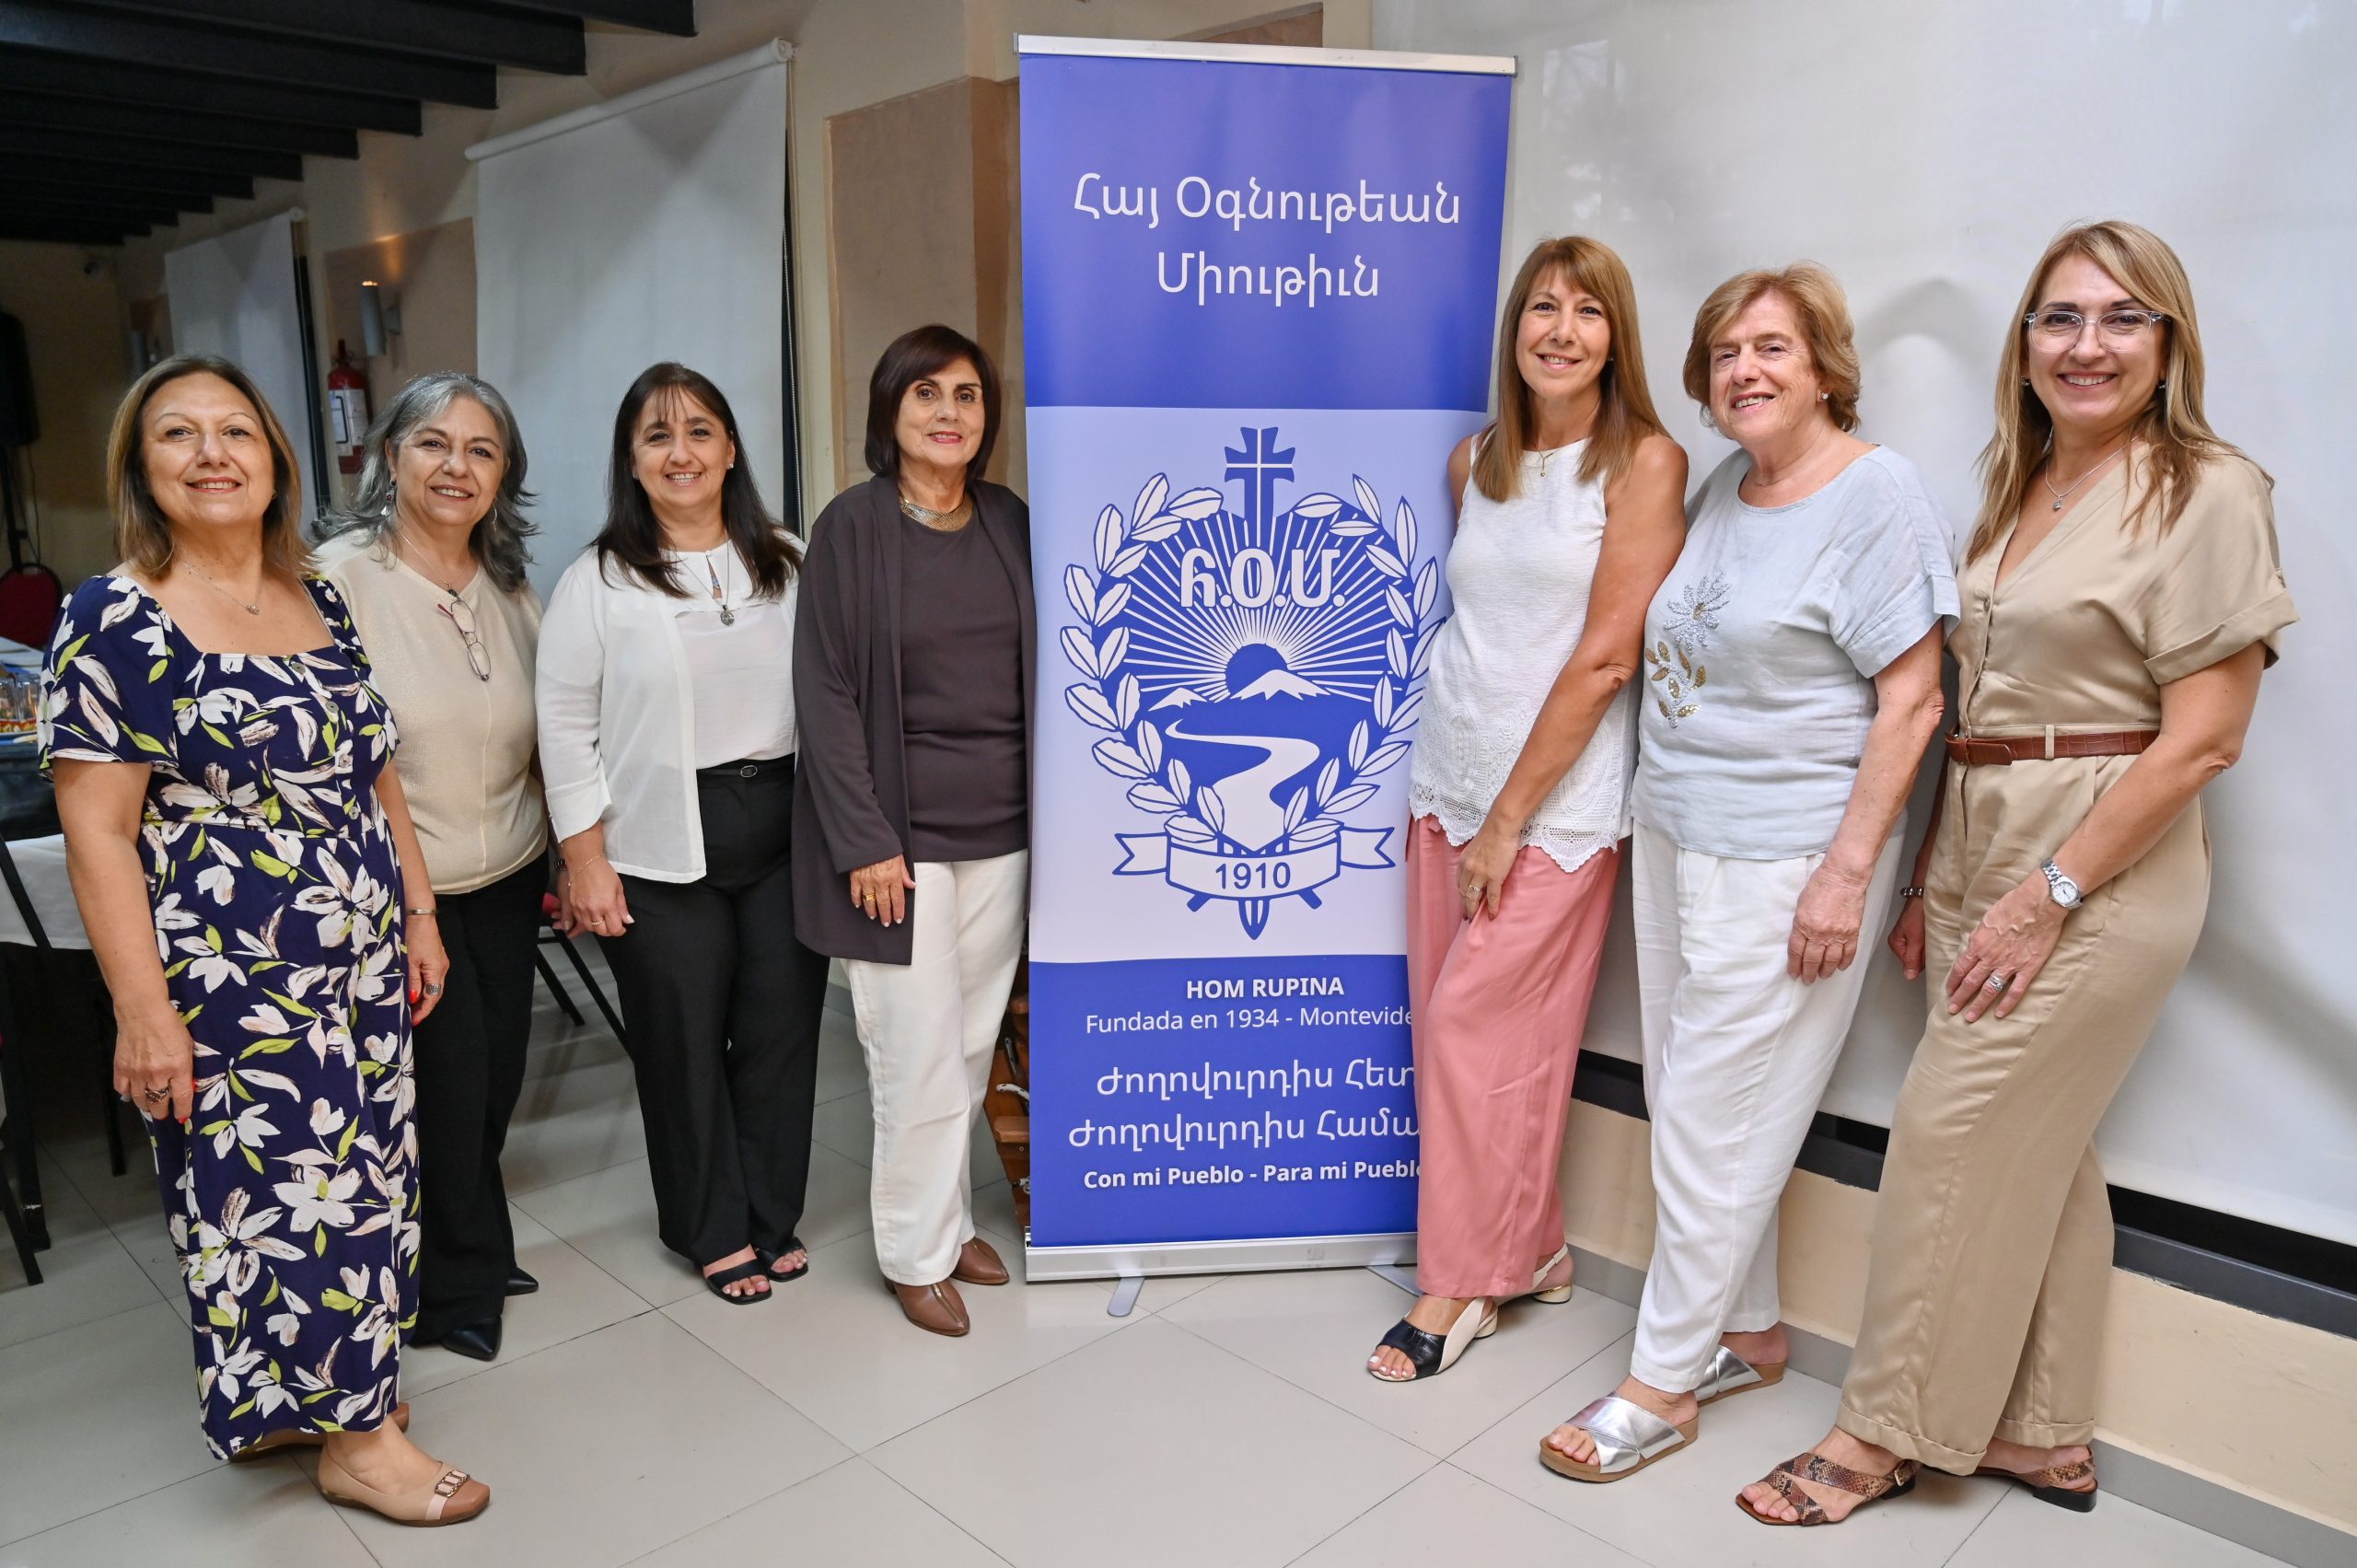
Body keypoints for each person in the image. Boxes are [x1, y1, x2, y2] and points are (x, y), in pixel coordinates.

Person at [1737, 223, 2295, 1527]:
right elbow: (1979, 702)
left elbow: (2204, 738)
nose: (2087, 345)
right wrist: (1933, 872)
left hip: (2100, 856)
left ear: (2169, 342)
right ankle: (2042, 1432)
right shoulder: (2021, 479)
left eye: (2122, 317)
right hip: (1979, 835)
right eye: (2060, 317)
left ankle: (1881, 1431)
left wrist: (2048, 894)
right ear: (2025, 343)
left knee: (1946, 1136)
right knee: (2041, 1146)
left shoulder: (2210, 489)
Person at [41, 355, 488, 1524]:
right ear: (141, 466)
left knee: (367, 1180)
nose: (212, 453)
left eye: (236, 430)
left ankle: (310, 1398)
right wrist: (143, 1012)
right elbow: (99, 836)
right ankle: (362, 1441)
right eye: (178, 433)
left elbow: (373, 770)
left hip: (362, 957)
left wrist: (420, 911)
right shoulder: (113, 616)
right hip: (231, 977)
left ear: (276, 459)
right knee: (282, 1195)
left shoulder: (315, 595)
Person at [1542, 265, 1954, 1481]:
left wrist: (1845, 873)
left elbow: (1913, 700)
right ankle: (1750, 1330)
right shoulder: (1729, 484)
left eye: (1772, 346)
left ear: (1825, 366)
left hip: (1786, 856)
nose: (1744, 370)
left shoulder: (1876, 494)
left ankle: (1662, 1380)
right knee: (1694, 1100)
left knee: (1712, 1120)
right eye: (1724, 352)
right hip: (1679, 835)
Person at [1365, 238, 1687, 1382]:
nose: (1561, 329)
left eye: (1588, 311)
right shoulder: (1477, 461)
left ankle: (1458, 1283)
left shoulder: (1644, 462)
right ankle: (1535, 1247)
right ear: (1514, 331)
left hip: (1550, 808)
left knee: (1473, 1029)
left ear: (1616, 336)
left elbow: (1606, 658)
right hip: (1444, 785)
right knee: (1467, 1038)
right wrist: (1467, 804)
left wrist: (1509, 816)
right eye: (1543, 307)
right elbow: (1483, 628)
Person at [537, 363, 828, 1305]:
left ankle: (771, 1214)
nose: (681, 452)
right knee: (684, 1045)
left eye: (699, 430)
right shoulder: (597, 578)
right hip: (656, 840)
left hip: (784, 827)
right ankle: (711, 1226)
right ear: (631, 459)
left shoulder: (788, 557)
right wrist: (584, 858)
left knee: (780, 1035)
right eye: (657, 435)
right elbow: (562, 724)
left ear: (731, 448)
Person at [794, 325, 1032, 1338]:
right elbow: (824, 693)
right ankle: (913, 1253)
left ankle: (951, 1221)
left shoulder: (1010, 520)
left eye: (966, 395)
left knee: (971, 1044)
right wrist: (863, 839)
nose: (948, 412)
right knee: (912, 1050)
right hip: (897, 844)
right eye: (926, 393)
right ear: (889, 410)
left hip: (1005, 833)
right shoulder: (850, 529)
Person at [316, 371, 545, 1362]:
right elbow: (348, 756)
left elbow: (547, 731)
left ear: (504, 474)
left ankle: (470, 1236)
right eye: (434, 443)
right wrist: (414, 907)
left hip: (511, 873)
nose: (457, 466)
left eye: (481, 449)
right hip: (411, 890)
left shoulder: (511, 585)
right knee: (446, 1092)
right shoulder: (338, 581)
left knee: (495, 1080)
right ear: (389, 456)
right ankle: (452, 1288)